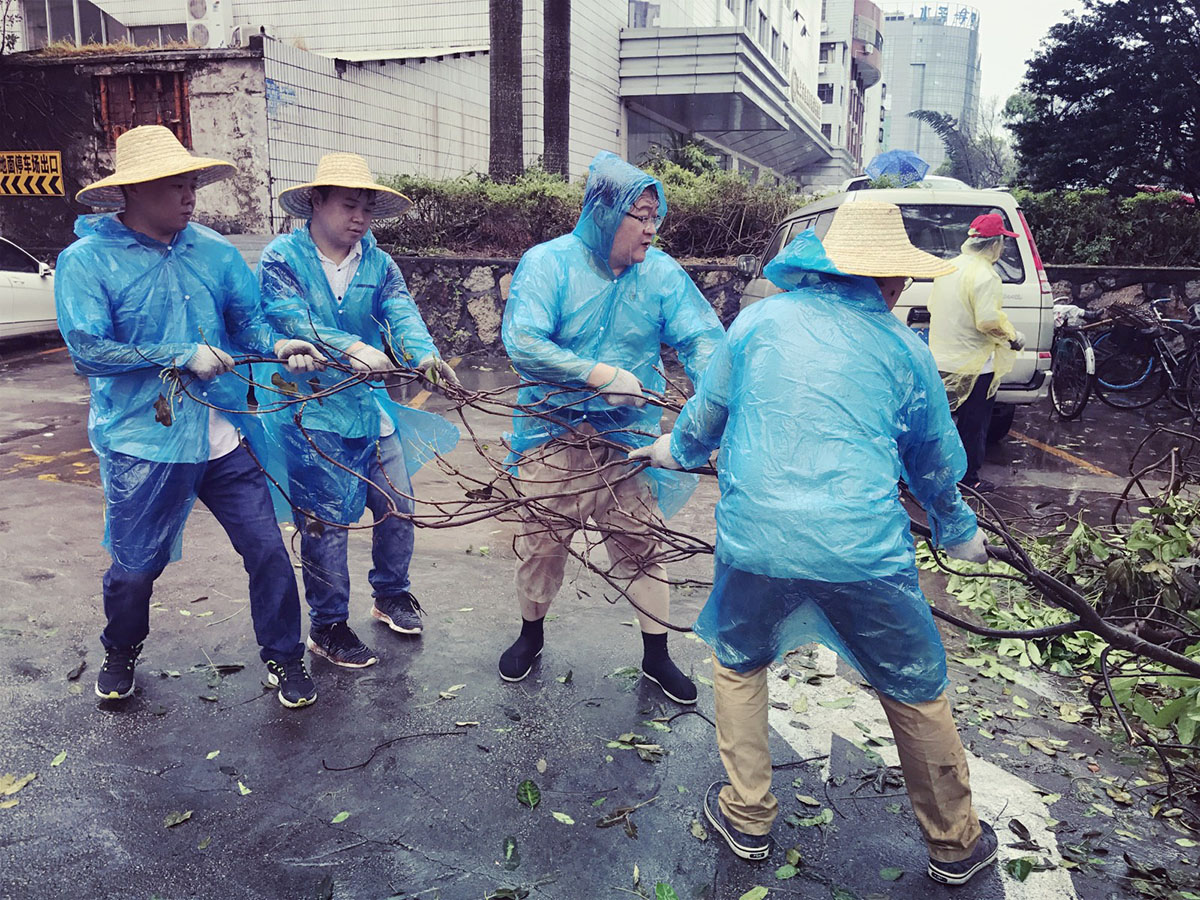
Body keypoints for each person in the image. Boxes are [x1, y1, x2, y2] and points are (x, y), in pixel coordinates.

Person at [632, 200, 999, 885]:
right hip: (861, 551)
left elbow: (705, 419)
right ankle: (955, 842)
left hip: (757, 543)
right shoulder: (905, 350)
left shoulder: (759, 322)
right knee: (915, 686)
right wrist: (958, 530)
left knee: (740, 662)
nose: (901, 288)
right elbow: (935, 464)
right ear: (888, 278)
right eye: (899, 277)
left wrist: (670, 450)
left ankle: (747, 815)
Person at [54, 125, 327, 709]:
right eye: (175, 185)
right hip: (143, 440)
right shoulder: (88, 262)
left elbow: (248, 324)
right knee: (134, 567)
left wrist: (280, 346)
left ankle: (284, 656)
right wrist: (180, 354)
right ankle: (121, 648)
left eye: (191, 183)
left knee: (268, 550)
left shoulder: (216, 252)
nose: (189, 195)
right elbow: (88, 350)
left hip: (223, 435)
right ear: (133, 190)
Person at [498, 151, 724, 704]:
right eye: (640, 216)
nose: (651, 228)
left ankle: (657, 655)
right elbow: (523, 342)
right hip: (552, 432)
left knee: (642, 542)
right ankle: (531, 635)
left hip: (629, 442)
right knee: (542, 542)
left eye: (655, 217)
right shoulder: (548, 264)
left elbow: (701, 338)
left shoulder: (661, 274)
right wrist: (596, 374)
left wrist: (715, 397)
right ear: (604, 213)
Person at [258, 153, 459, 669]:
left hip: (369, 408)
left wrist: (424, 356)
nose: (360, 218)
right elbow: (289, 317)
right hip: (310, 410)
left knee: (397, 503)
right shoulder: (282, 258)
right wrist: (352, 347)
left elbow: (401, 314)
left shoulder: (378, 263)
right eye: (350, 205)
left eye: (367, 208)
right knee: (324, 523)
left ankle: (391, 592)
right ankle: (328, 626)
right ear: (316, 202)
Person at [928, 213, 1025, 493]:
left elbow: (934, 306)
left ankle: (933, 473)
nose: (1002, 248)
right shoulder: (986, 276)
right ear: (994, 244)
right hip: (975, 365)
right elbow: (987, 322)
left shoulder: (949, 267)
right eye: (1002, 242)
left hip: (942, 358)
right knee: (974, 425)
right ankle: (968, 480)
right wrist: (1012, 337)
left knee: (941, 421)